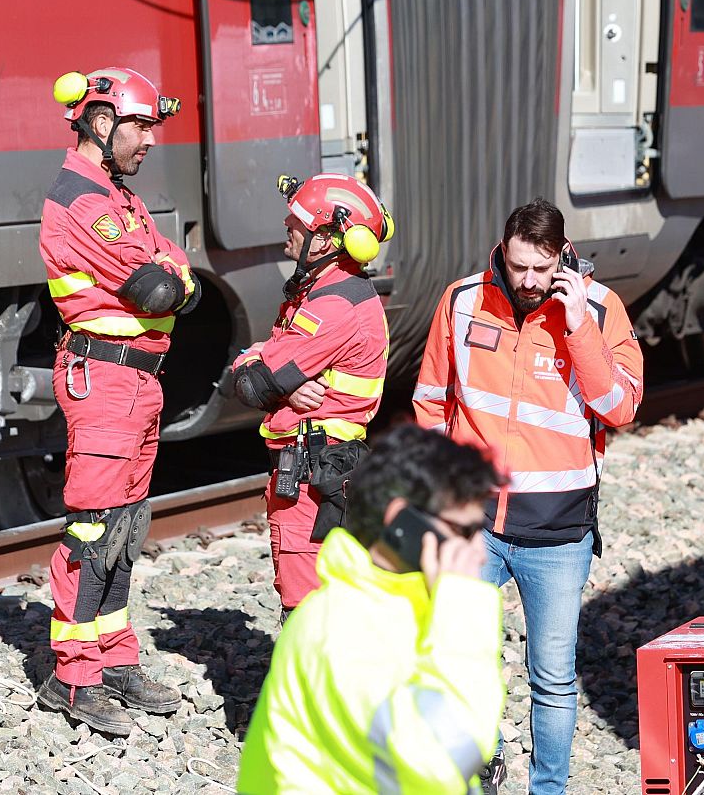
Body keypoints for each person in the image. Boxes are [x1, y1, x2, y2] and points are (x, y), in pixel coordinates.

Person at [412, 200, 643, 794]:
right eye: (519, 268)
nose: (530, 282)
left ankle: (548, 789)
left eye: (542, 270)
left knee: (553, 679)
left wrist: (578, 329)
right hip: (474, 524)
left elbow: (619, 407)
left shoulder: (599, 310)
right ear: (503, 252)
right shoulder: (462, 301)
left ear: (563, 259)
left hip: (558, 531)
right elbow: (432, 399)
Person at [32, 67, 199, 736]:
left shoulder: (116, 195)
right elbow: (158, 290)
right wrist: (174, 280)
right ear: (102, 124)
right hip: (103, 381)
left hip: (135, 384)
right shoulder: (84, 200)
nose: (150, 141)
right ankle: (71, 677)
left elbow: (178, 268)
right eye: (141, 126)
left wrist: (175, 277)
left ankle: (113, 656)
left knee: (126, 526)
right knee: (94, 529)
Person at [237, 424, 506, 794]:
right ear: (401, 522)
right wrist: (463, 607)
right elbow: (448, 760)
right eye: (463, 532)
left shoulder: (395, 606)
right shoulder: (345, 630)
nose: (477, 551)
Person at [227, 173, 392, 614]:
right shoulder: (325, 293)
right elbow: (262, 363)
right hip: (324, 465)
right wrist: (263, 364)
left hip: (310, 471)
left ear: (325, 240)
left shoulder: (332, 307)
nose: (288, 223)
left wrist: (258, 366)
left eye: (298, 220)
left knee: (304, 606)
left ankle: (310, 685)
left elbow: (253, 383)